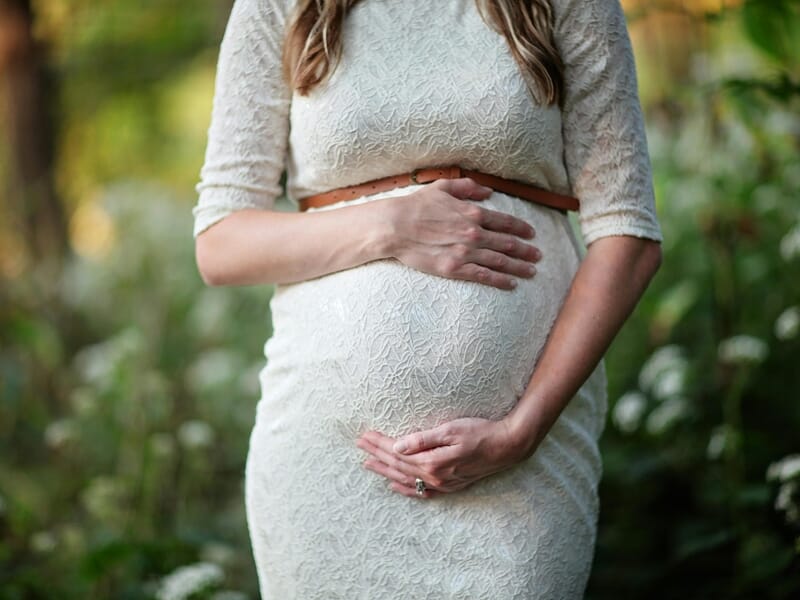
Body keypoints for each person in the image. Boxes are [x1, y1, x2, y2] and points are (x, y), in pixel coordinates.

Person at [192, 0, 663, 597]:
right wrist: (390, 226)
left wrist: (521, 432)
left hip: (524, 466)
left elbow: (629, 235)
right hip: (325, 464)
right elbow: (221, 243)